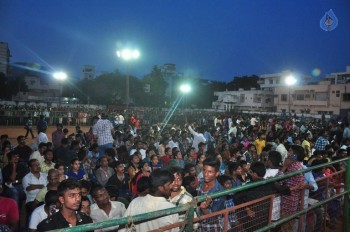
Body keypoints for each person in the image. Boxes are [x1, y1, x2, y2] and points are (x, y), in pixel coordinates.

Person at [234, 161, 290, 232]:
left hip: (251, 220)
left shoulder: (248, 186)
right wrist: (274, 182)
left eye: (251, 172)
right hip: (266, 218)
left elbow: (236, 198)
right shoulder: (270, 183)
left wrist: (247, 209)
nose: (250, 174)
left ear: (254, 174)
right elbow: (286, 190)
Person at [196, 156, 226, 231]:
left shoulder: (219, 191)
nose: (205, 174)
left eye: (210, 172)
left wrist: (204, 208)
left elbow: (214, 217)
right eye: (204, 170)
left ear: (217, 173)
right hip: (200, 225)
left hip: (212, 228)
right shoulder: (201, 182)